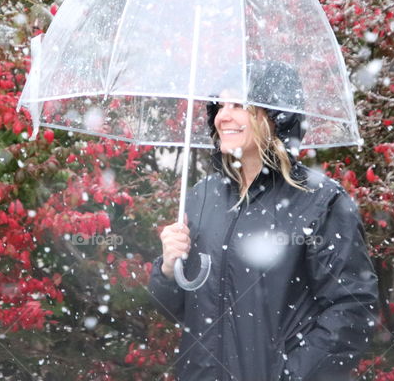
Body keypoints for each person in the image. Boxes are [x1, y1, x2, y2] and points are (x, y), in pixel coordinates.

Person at [148, 61, 379, 381]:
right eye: (220, 106)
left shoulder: (320, 201)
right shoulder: (203, 197)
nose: (222, 116)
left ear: (275, 116)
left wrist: (289, 375)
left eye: (238, 105)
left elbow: (353, 310)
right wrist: (167, 270)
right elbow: (181, 309)